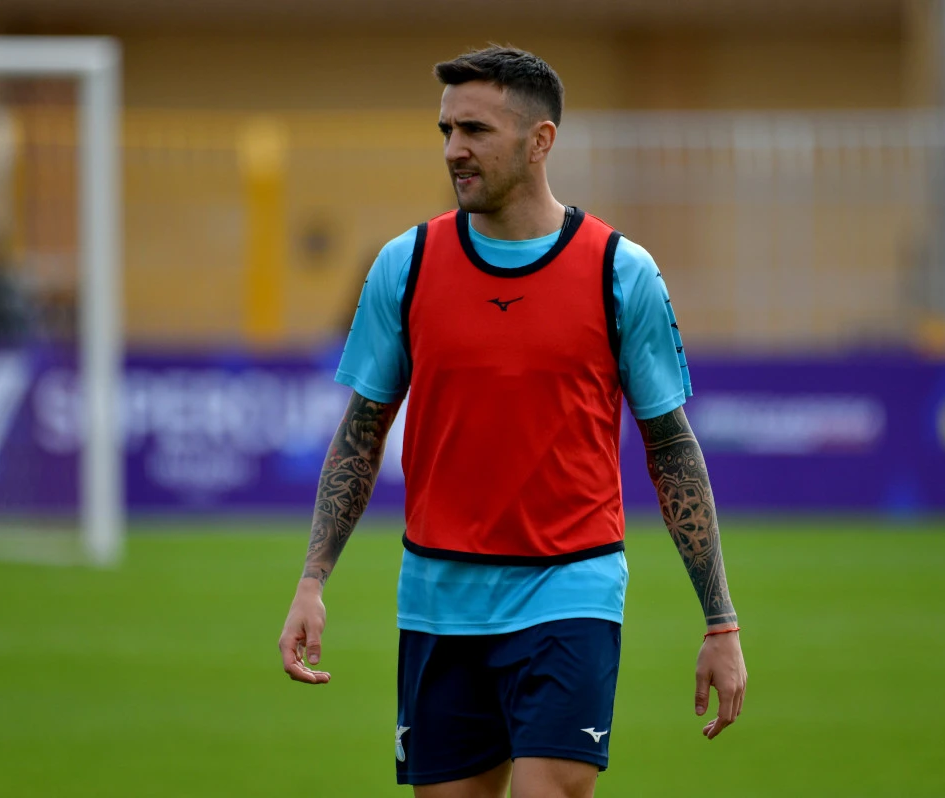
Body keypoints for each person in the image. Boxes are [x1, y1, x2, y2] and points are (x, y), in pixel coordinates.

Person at [279, 46, 747, 798]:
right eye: (445, 130)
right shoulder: (406, 264)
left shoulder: (620, 272)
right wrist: (312, 580)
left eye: (475, 129)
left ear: (541, 141)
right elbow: (360, 433)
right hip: (438, 596)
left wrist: (719, 621)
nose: (454, 149)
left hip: (571, 589)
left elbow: (672, 448)